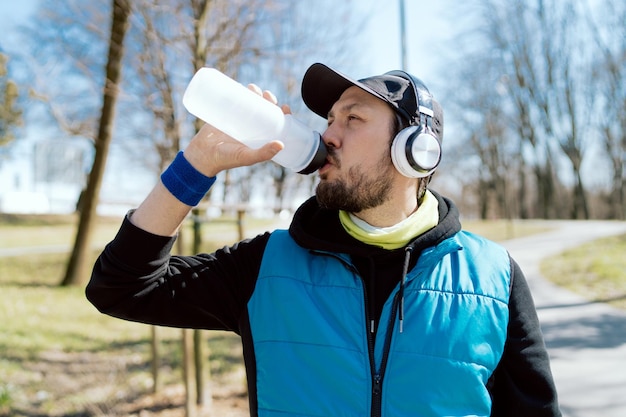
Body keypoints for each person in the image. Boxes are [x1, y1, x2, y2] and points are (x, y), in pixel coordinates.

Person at [86, 62, 562, 417]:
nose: (328, 135)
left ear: (416, 149)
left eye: (352, 119)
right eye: (329, 120)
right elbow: (121, 288)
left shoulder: (493, 277)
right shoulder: (267, 267)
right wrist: (196, 165)